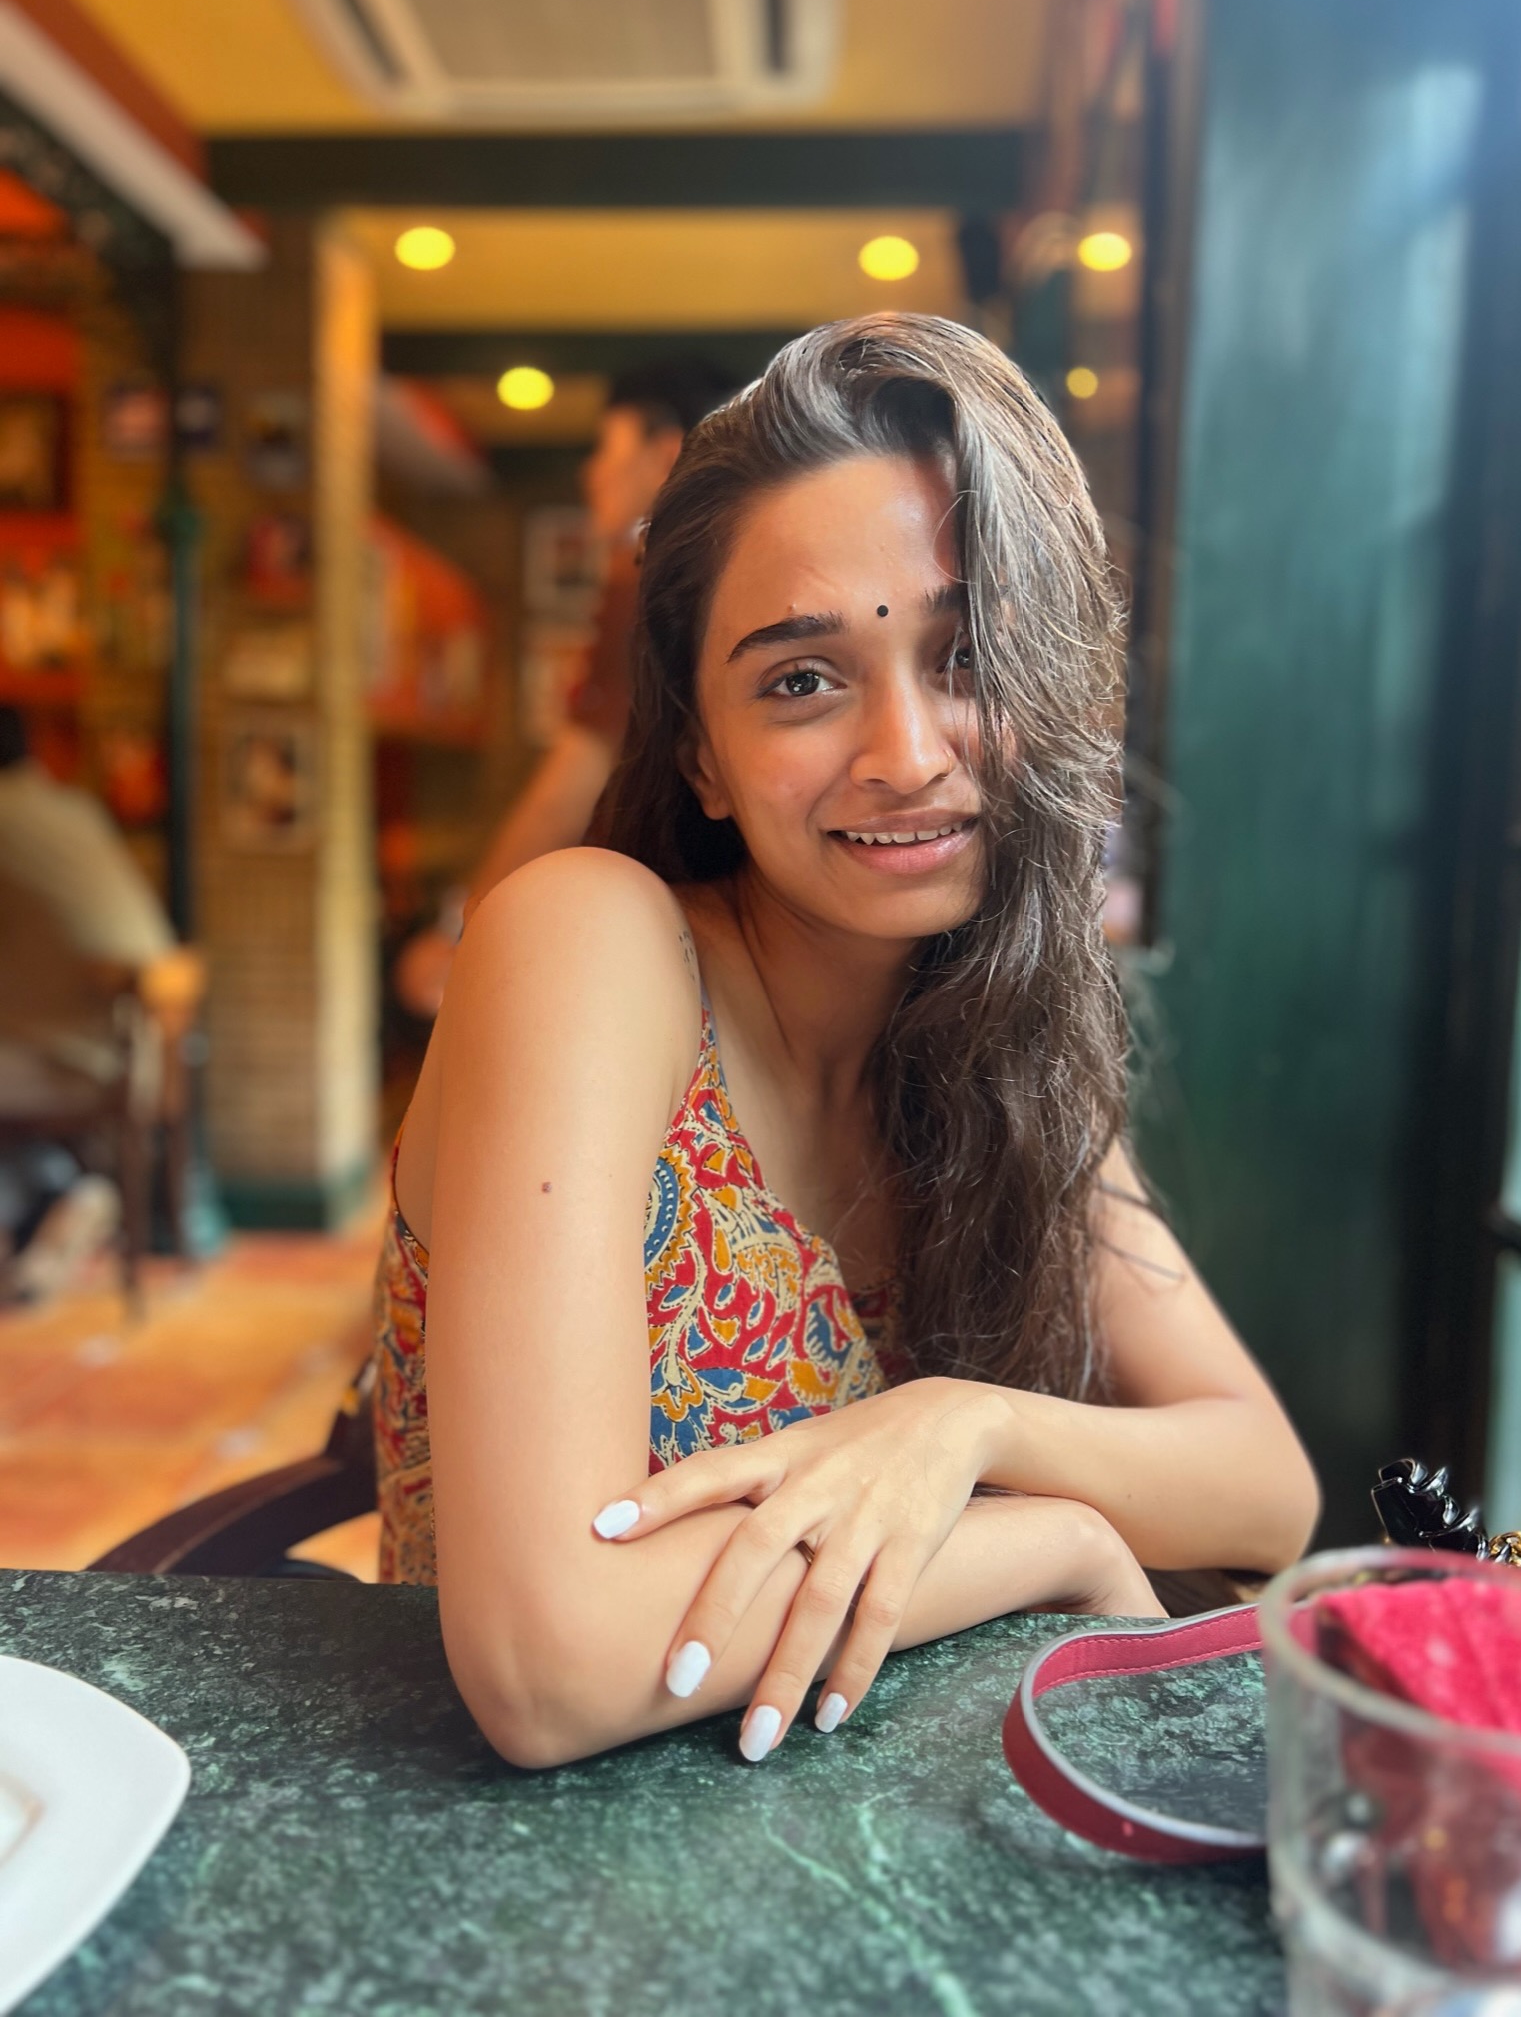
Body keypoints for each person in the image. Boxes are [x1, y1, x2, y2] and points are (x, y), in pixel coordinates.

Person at [375, 316, 1319, 1771]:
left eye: (966, 655)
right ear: (699, 749)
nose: (905, 753)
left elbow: (1265, 1488)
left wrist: (964, 1430)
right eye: (801, 679)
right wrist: (1052, 1538)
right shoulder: (588, 943)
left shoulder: (991, 1045)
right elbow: (545, 1665)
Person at [392, 358, 738, 1018]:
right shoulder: (729, 582)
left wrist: (462, 929)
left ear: (663, 455)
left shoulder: (646, 586)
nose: (590, 473)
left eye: (606, 448)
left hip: (653, 934)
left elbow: (575, 777)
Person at [0, 705, 181, 1296]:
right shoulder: (75, 809)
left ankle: (50, 1196)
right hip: (144, 1048)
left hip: (75, 1061)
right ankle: (57, 1196)